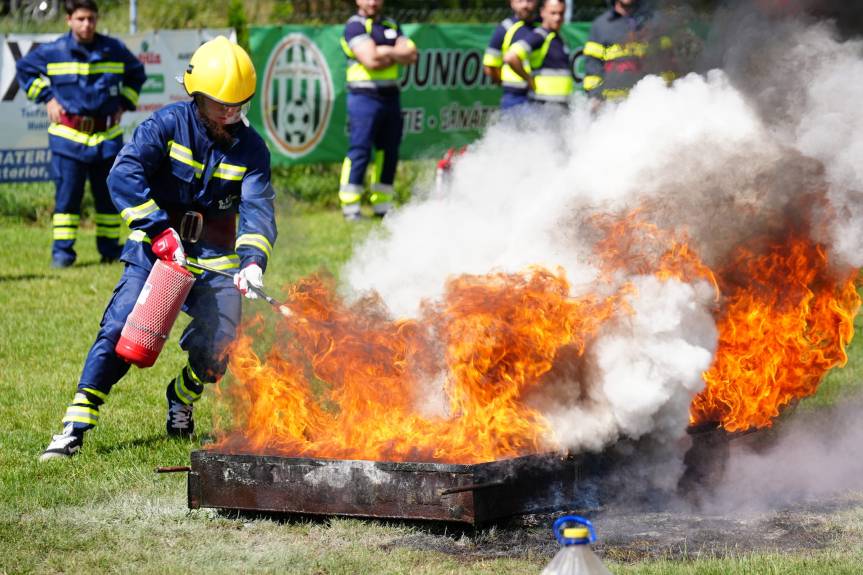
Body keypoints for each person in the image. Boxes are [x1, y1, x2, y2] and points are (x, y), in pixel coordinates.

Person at [39, 36, 277, 461]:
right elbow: (123, 175)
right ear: (196, 95)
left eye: (238, 105)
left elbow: (258, 208)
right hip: (156, 249)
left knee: (222, 342)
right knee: (121, 329)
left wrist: (253, 263)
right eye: (221, 105)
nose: (230, 114)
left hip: (214, 257)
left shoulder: (252, 148)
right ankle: (75, 425)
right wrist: (158, 232)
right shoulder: (166, 125)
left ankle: (182, 396)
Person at [16, 0, 146, 268]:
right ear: (69, 20)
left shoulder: (113, 48)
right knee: (67, 200)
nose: (87, 24)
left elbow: (137, 73)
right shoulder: (53, 51)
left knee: (109, 200)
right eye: (81, 19)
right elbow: (23, 70)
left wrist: (124, 103)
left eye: (91, 18)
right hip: (67, 137)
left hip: (107, 137)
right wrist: (47, 98)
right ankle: (62, 255)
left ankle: (110, 251)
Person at [338, 0, 417, 221]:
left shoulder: (392, 24)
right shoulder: (354, 26)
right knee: (360, 150)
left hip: (391, 96)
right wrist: (394, 53)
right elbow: (370, 60)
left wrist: (383, 51)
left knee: (388, 151)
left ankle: (382, 205)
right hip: (363, 97)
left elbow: (412, 55)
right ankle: (350, 206)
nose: (372, 2)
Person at [583, 0, 676, 103]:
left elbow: (667, 64)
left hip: (649, 105)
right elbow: (593, 68)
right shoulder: (600, 26)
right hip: (611, 110)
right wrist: (595, 98)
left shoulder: (655, 22)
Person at [504, 0, 574, 109]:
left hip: (560, 107)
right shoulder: (540, 35)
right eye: (553, 13)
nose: (557, 18)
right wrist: (528, 79)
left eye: (561, 13)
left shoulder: (559, 37)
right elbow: (511, 57)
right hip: (543, 107)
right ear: (543, 12)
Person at [483, 0, 538, 110]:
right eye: (520, 1)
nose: (525, 5)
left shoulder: (543, 27)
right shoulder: (505, 28)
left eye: (529, 0)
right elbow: (490, 66)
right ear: (511, 2)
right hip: (514, 97)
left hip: (541, 96)